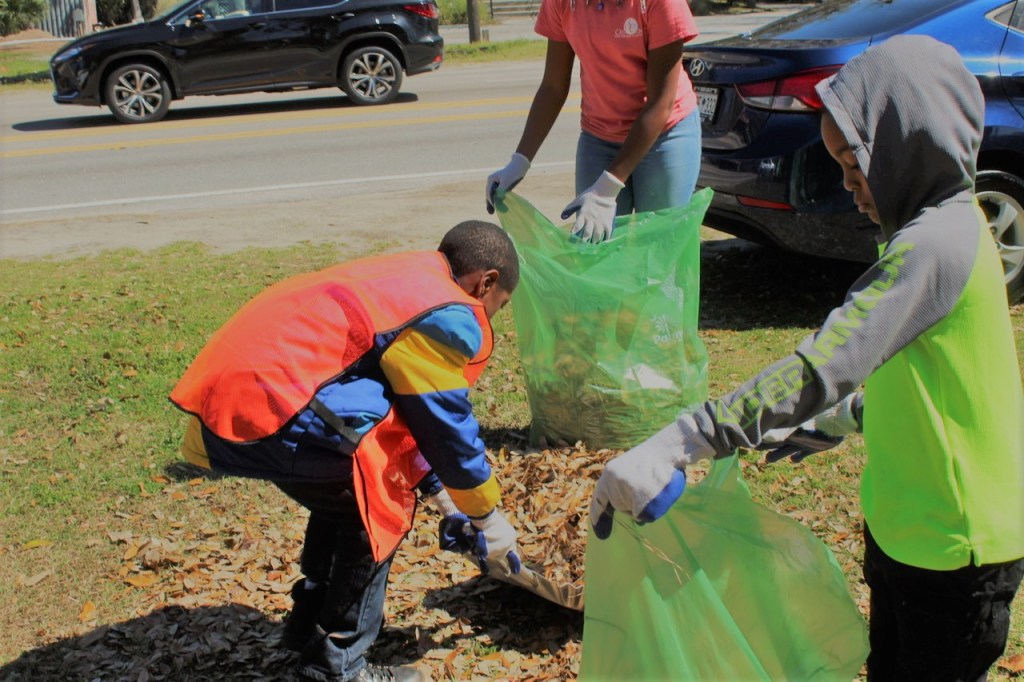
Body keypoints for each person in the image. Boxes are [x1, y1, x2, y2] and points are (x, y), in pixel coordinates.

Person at [588, 35, 1024, 681]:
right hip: (910, 527)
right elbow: (949, 384)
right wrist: (850, 415)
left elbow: (827, 361)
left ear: (907, 144)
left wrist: (684, 439)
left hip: (956, 550)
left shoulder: (937, 243)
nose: (849, 184)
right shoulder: (940, 229)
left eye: (855, 162)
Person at [169, 221, 523, 682]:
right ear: (486, 282)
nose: (492, 316)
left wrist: (444, 497)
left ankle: (310, 621)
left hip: (244, 392)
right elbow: (444, 425)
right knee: (374, 499)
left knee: (346, 490)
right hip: (272, 405)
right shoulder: (447, 312)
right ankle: (338, 667)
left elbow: (407, 412)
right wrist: (486, 516)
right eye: (500, 306)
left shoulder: (413, 275)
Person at [485, 0, 702, 243]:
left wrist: (607, 187)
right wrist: (519, 162)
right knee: (592, 246)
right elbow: (553, 87)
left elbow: (660, 103)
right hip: (599, 137)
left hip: (664, 135)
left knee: (658, 247)